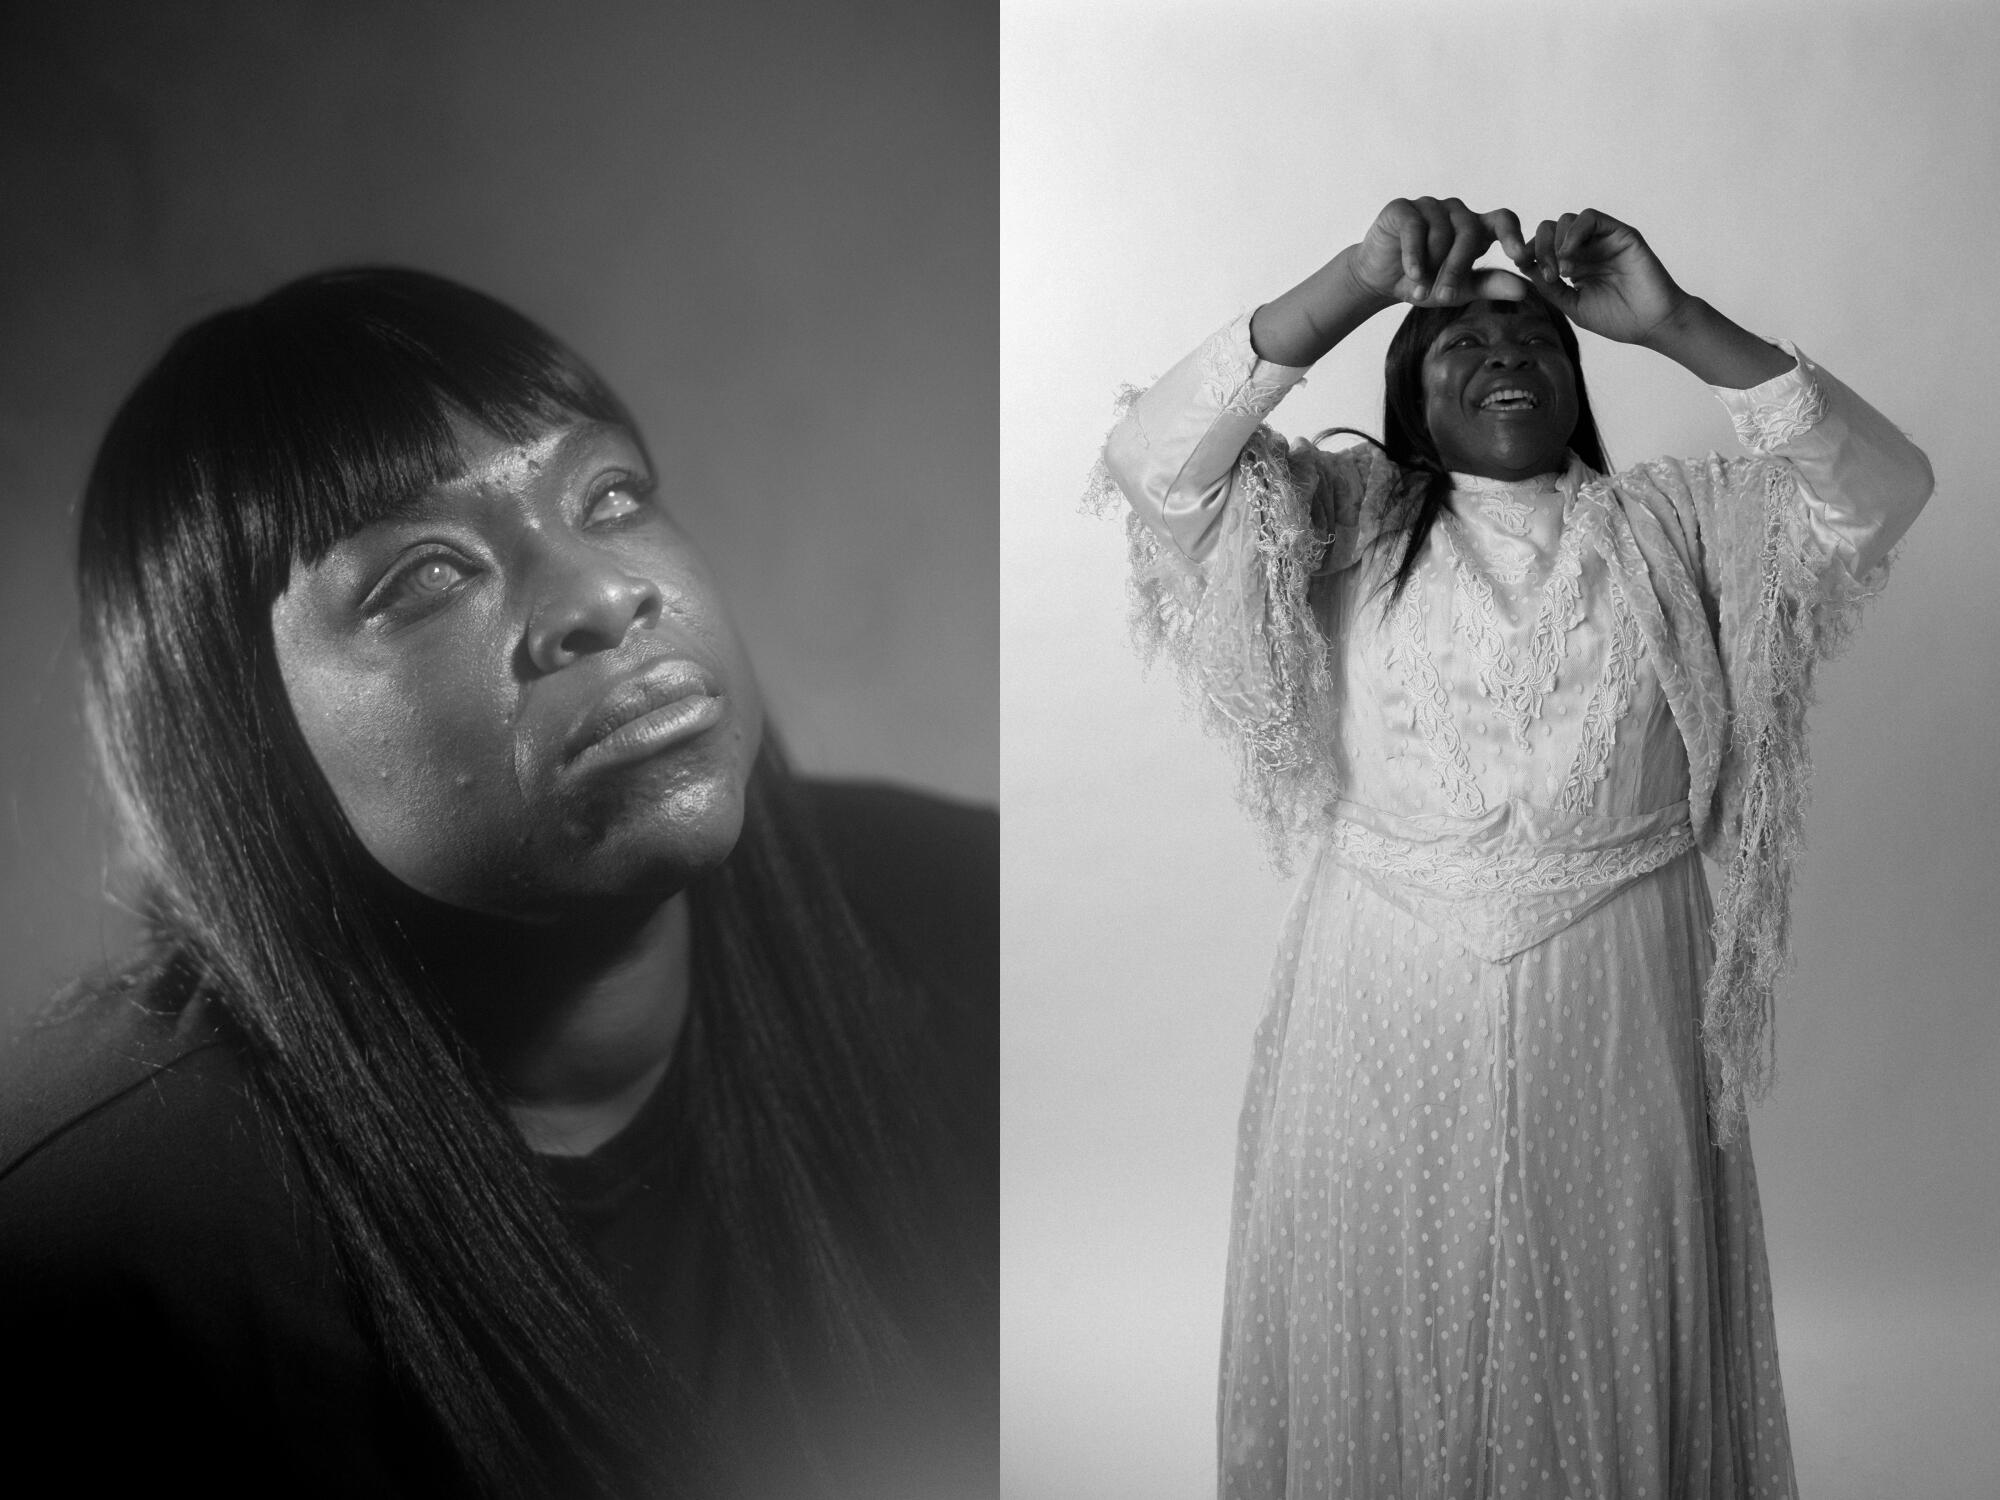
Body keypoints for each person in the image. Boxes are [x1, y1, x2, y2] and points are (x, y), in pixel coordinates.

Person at [0, 268, 997, 1499]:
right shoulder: (100, 1253)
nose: (599, 594)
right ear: (241, 738)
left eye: (611, 494)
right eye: (423, 574)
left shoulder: (973, 925)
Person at [1090, 196, 1933, 1497]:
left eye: (1538, 336)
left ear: (1578, 378)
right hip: (1379, 1004)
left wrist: (1676, 322)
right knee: (1390, 1297)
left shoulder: (1684, 526)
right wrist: (1360, 281)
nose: (1505, 354)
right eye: (1459, 340)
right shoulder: (1340, 518)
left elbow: (1883, 489)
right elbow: (1158, 464)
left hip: (1623, 1000)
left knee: (1602, 1300)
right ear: (1407, 389)